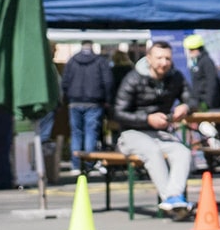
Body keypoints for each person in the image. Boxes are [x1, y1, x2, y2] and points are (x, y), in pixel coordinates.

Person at [112, 38, 195, 219]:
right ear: (148, 58)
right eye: (159, 58)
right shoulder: (133, 78)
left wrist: (186, 107)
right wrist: (148, 119)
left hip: (160, 133)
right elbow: (118, 112)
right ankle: (172, 201)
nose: (163, 63)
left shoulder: (176, 77)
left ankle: (174, 197)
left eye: (167, 58)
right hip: (131, 133)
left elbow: (192, 99)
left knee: (182, 151)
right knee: (152, 150)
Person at [60, 38, 113, 166]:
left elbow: (65, 82)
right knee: (91, 132)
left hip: (74, 102)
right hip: (94, 102)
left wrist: (66, 98)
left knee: (76, 133)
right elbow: (108, 81)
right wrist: (108, 99)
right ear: (92, 47)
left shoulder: (72, 61)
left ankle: (76, 165)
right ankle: (89, 164)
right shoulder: (100, 61)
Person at [184, 34, 220, 112]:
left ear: (196, 49)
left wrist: (209, 104)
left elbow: (212, 83)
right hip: (199, 102)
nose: (189, 53)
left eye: (190, 50)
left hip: (208, 104)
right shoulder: (196, 62)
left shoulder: (206, 61)